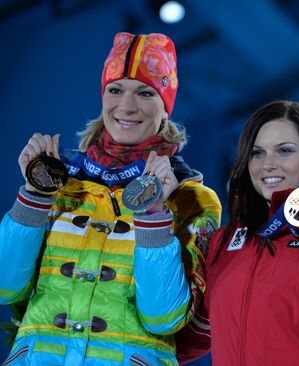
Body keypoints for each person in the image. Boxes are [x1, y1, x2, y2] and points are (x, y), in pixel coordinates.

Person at [0, 32, 221, 365]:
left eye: (145, 93)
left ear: (165, 110)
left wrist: (153, 213)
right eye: (115, 90)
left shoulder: (191, 198)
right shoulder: (61, 178)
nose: (127, 106)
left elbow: (163, 317)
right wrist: (35, 194)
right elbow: (5, 287)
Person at [177, 100, 299, 365]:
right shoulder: (225, 242)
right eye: (257, 153)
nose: (268, 164)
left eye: (284, 151)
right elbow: (195, 337)